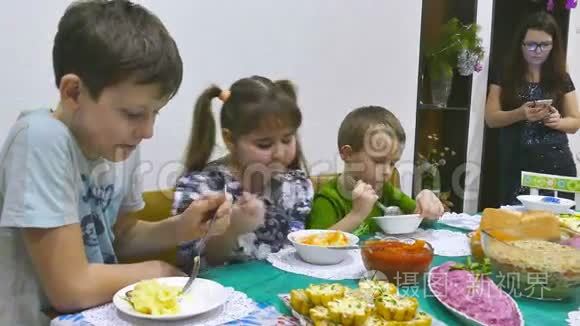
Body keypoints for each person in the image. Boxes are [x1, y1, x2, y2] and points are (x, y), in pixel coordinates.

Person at [0, 1, 231, 324]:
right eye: (134, 114)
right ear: (74, 92)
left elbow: (119, 237)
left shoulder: (118, 144)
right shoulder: (40, 138)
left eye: (155, 114)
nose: (148, 131)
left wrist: (180, 228)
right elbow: (70, 288)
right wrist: (158, 271)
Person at [173, 76, 313, 270]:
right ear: (229, 139)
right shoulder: (203, 187)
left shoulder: (295, 185)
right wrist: (232, 229)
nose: (279, 153)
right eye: (264, 144)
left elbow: (296, 253)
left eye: (287, 140)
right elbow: (192, 266)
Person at [485, 11, 580, 204]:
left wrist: (557, 122)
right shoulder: (505, 72)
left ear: (554, 45)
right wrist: (520, 114)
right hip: (516, 162)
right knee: (517, 224)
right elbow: (491, 118)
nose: (537, 50)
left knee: (559, 228)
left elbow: (575, 121)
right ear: (521, 43)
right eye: (531, 44)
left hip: (557, 163)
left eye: (544, 45)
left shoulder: (560, 76)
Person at [307, 106, 444, 235]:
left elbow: (422, 219)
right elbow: (314, 245)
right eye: (378, 161)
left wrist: (427, 203)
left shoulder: (385, 190)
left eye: (392, 163)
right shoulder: (328, 199)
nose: (387, 172)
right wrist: (357, 214)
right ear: (348, 154)